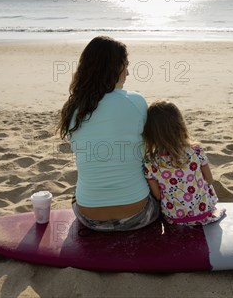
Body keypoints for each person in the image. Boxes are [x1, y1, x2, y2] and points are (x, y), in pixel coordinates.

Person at [57, 36, 160, 231]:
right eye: (125, 65)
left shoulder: (73, 111)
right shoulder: (136, 101)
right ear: (114, 68)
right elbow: (147, 149)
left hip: (88, 218)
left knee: (80, 189)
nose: (128, 73)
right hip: (137, 215)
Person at [142, 100, 225, 226]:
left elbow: (158, 196)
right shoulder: (196, 150)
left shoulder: (150, 160)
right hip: (204, 212)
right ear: (179, 125)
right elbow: (209, 179)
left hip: (173, 218)